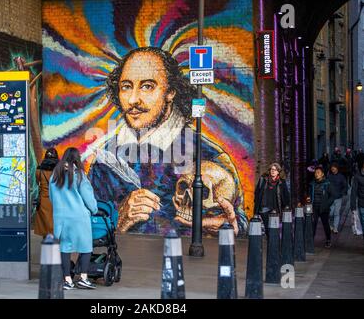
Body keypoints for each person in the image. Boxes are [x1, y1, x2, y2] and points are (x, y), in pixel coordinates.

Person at [87, 47, 247, 236]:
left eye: (147, 86)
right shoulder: (106, 159)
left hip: (187, 262)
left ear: (171, 91)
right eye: (126, 87)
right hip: (129, 263)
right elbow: (90, 224)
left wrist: (229, 227)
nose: (133, 99)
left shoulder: (208, 154)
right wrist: (118, 221)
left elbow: (239, 222)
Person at [49, 147, 98, 290]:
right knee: (86, 247)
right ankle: (83, 278)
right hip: (79, 217)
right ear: (77, 159)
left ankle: (67, 280)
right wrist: (94, 210)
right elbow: (88, 198)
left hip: (61, 218)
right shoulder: (79, 174)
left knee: (65, 248)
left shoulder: (55, 175)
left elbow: (52, 198)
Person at [254, 163, 290, 237]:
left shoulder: (281, 182)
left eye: (275, 170)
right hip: (264, 208)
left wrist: (286, 206)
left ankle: (273, 244)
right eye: (271, 169)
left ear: (278, 172)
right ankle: (271, 243)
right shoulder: (263, 180)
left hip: (275, 209)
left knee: (274, 228)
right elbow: (257, 192)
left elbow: (286, 195)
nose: (273, 171)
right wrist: (256, 205)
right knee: (267, 228)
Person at [34, 147, 59, 238]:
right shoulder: (59, 170)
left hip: (44, 201)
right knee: (57, 227)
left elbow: (38, 183)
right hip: (57, 201)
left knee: (46, 228)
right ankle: (57, 248)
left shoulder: (39, 170)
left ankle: (47, 247)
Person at [309, 166, 335, 248]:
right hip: (314, 207)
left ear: (322, 174)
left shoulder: (327, 184)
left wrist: (327, 204)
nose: (316, 174)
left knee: (325, 224)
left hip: (324, 208)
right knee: (313, 224)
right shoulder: (312, 184)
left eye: (318, 173)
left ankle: (328, 240)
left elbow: (332, 196)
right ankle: (310, 241)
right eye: (315, 173)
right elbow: (309, 195)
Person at [327, 162, 347, 234]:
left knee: (337, 213)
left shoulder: (341, 177)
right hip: (330, 198)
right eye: (332, 168)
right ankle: (330, 225)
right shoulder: (329, 176)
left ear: (337, 168)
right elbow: (326, 186)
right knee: (330, 213)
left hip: (338, 198)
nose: (333, 169)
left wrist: (342, 193)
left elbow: (345, 186)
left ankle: (335, 228)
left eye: (334, 168)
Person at [350, 159, 364, 242]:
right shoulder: (357, 177)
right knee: (363, 221)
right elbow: (353, 192)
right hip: (362, 203)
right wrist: (352, 206)